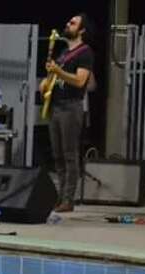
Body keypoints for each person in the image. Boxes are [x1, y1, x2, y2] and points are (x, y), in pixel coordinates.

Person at [41, 13, 94, 213]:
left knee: (70, 154)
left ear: (81, 30)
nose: (68, 24)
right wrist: (46, 82)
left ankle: (68, 199)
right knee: (58, 156)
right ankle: (60, 196)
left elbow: (80, 81)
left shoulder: (85, 53)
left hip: (71, 106)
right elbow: (55, 78)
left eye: (73, 23)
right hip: (56, 105)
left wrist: (58, 72)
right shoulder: (63, 52)